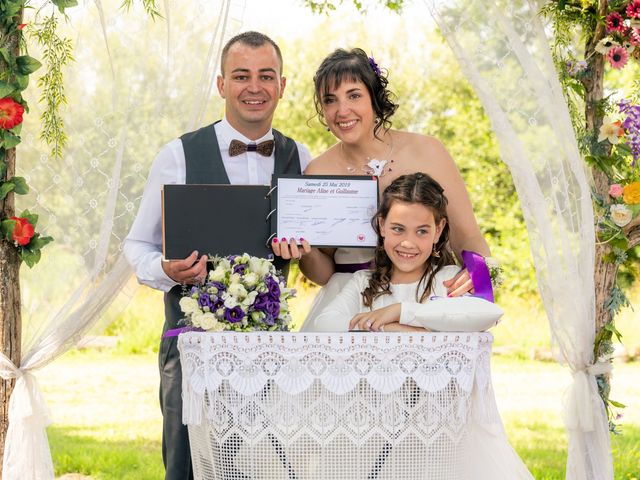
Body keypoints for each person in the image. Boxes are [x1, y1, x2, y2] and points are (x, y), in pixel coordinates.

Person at [123, 31, 311, 480]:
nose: (254, 86)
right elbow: (137, 245)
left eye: (266, 76)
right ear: (221, 84)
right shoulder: (177, 155)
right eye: (241, 75)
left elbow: (319, 253)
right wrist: (166, 271)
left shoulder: (301, 158)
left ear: (282, 85)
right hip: (191, 351)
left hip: (269, 354)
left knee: (265, 468)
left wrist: (304, 253)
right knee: (187, 467)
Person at [273, 47, 490, 331]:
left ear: (374, 98)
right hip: (351, 302)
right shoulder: (318, 171)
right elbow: (325, 273)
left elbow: (469, 236)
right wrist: (304, 252)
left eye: (354, 95)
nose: (342, 110)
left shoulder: (428, 151)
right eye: (330, 100)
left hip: (421, 295)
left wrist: (481, 277)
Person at [313, 172, 459, 331]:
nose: (408, 243)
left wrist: (400, 311)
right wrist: (389, 329)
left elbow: (480, 317)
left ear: (438, 230)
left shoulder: (449, 279)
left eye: (422, 231)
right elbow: (324, 323)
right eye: (398, 229)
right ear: (382, 225)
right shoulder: (362, 282)